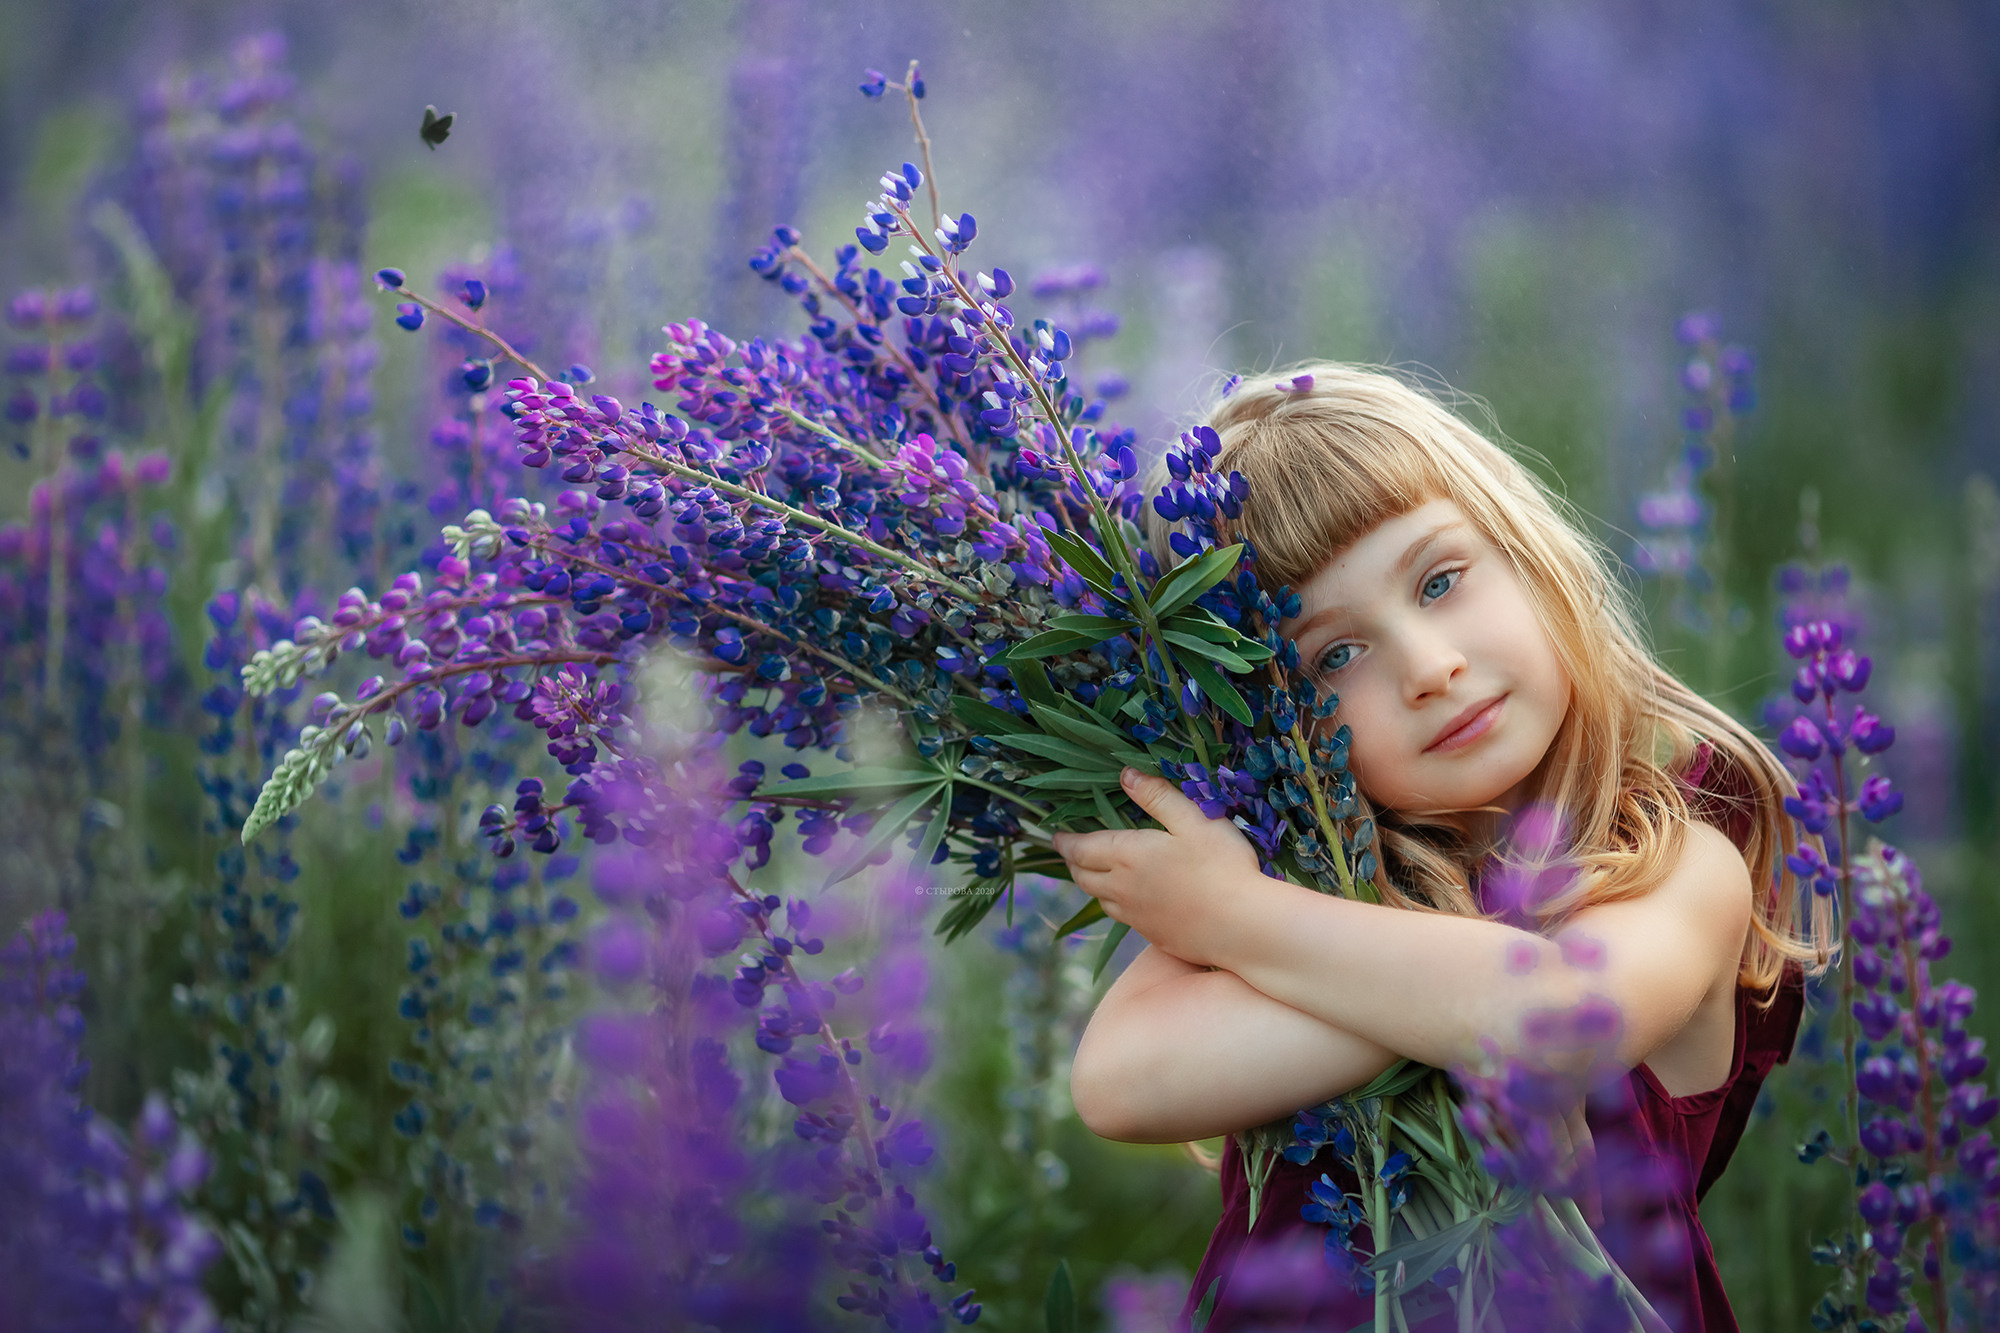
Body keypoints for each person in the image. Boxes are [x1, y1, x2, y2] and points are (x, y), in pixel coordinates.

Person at [1051, 364, 1829, 1332]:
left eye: (1438, 580)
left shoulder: (1681, 852)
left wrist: (1241, 921)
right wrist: (1452, 998)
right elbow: (1115, 1082)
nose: (1428, 667)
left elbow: (1553, 1021)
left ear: (1525, 551)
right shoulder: (1313, 878)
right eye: (1332, 655)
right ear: (1267, 725)